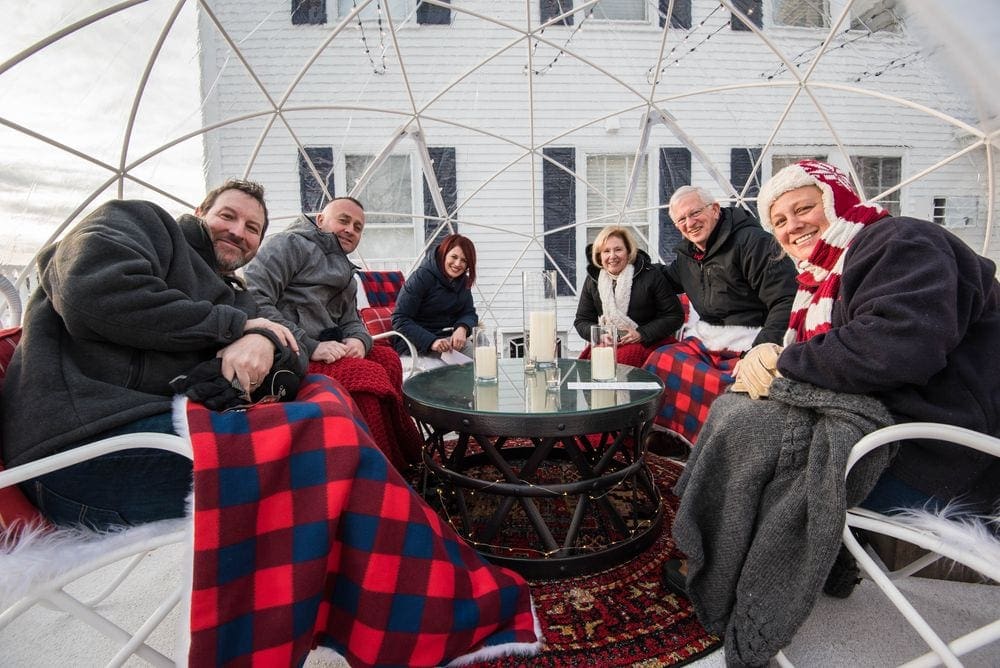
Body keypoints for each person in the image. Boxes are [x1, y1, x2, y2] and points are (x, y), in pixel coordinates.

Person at [663, 160, 1000, 666]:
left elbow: (899, 345)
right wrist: (771, 352)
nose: (792, 225)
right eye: (779, 220)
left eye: (803, 208)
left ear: (836, 199)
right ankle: (713, 552)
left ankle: (727, 572)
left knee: (757, 433)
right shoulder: (825, 274)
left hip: (940, 455)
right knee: (739, 411)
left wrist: (782, 360)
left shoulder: (899, 242)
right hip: (900, 430)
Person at [0, 179, 304, 529]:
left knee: (323, 420)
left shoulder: (234, 296)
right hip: (73, 452)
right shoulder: (140, 222)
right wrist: (234, 326)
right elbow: (91, 293)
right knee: (310, 457)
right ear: (200, 213)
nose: (237, 231)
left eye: (252, 228)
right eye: (227, 215)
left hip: (154, 431)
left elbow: (296, 346)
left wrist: (263, 337)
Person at [244, 196, 421, 470]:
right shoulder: (290, 245)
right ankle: (378, 470)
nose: (351, 229)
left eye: (358, 226)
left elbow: (352, 320)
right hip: (288, 353)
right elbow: (254, 297)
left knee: (388, 359)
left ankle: (404, 457)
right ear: (321, 220)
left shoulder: (347, 273)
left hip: (328, 349)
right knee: (366, 376)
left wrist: (359, 341)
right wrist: (310, 345)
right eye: (344, 220)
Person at [642, 185, 798, 444]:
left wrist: (757, 352)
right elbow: (664, 281)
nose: (689, 223)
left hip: (749, 341)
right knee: (661, 361)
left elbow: (786, 299)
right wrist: (630, 267)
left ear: (714, 209)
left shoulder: (753, 242)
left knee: (725, 386)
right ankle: (668, 438)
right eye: (681, 219)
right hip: (707, 340)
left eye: (695, 213)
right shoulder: (688, 256)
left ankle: (713, 448)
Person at [573, 225, 684, 367]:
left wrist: (642, 333)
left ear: (629, 251)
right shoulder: (593, 280)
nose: (612, 256)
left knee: (622, 360)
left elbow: (674, 316)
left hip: (649, 342)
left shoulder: (651, 275)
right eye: (606, 251)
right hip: (608, 343)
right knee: (588, 366)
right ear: (599, 256)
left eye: (618, 249)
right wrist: (599, 334)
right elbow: (582, 320)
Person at [391, 233, 479, 368]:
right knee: (467, 365)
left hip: (447, 341)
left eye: (464, 260)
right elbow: (399, 319)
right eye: (454, 257)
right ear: (444, 254)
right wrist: (432, 341)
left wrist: (462, 328)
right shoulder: (422, 277)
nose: (457, 264)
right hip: (417, 343)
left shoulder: (462, 282)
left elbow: (469, 313)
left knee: (482, 354)